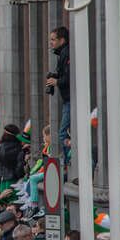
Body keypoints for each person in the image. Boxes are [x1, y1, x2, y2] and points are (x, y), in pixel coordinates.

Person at [47, 26, 72, 156]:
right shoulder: (62, 54)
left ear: (62, 40)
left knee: (63, 133)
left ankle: (70, 161)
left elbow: (70, 77)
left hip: (70, 100)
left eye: (53, 39)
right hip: (67, 99)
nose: (51, 42)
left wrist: (57, 81)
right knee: (69, 132)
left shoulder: (66, 53)